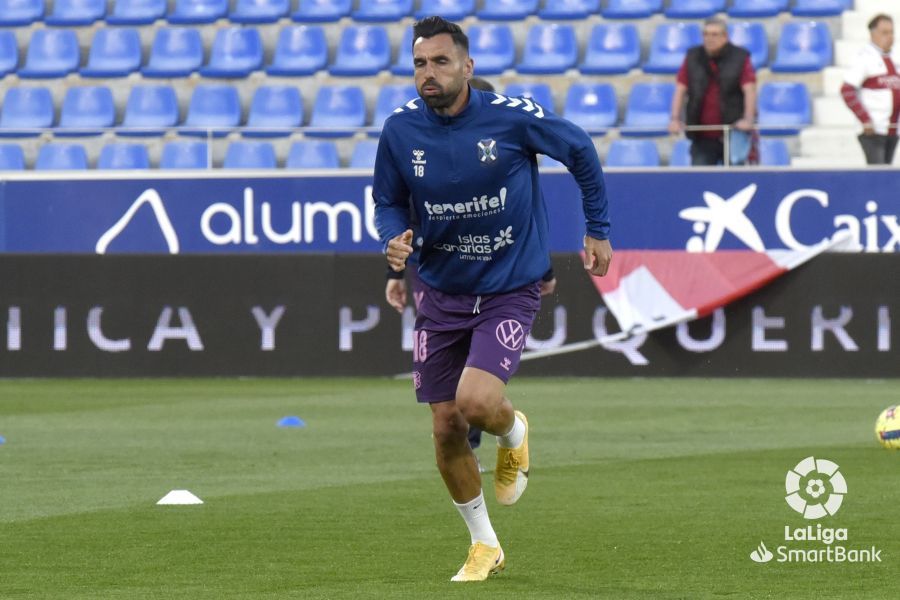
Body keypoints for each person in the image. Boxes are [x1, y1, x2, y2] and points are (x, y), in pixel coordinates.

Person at [374, 16, 612, 582]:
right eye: (419, 64)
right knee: (445, 426)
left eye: (440, 62)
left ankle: (513, 431)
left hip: (507, 286)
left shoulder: (510, 117)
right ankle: (485, 545)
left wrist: (596, 228)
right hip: (440, 290)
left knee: (476, 404)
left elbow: (579, 149)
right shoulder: (400, 131)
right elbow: (388, 200)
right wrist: (392, 238)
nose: (428, 74)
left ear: (466, 66)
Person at [384, 76, 558, 460]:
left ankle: (485, 433)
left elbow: (526, 222)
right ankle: (468, 441)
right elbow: (402, 214)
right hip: (437, 273)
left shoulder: (504, 161)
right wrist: (396, 272)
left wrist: (541, 271)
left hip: (495, 277)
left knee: (475, 383)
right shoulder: (425, 154)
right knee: (450, 389)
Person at [668, 17, 757, 166]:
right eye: (706, 34)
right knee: (700, 178)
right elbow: (680, 89)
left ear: (725, 36)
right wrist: (675, 119)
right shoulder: (692, 57)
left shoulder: (740, 57)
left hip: (733, 132)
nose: (709, 39)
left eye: (715, 34)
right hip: (702, 135)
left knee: (736, 180)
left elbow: (750, 89)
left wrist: (748, 119)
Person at [841, 14, 900, 165]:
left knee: (887, 173)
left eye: (892, 32)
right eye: (884, 32)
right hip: (874, 130)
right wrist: (865, 120)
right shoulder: (864, 58)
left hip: (893, 129)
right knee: (878, 172)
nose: (890, 37)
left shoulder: (895, 58)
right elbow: (847, 90)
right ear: (873, 34)